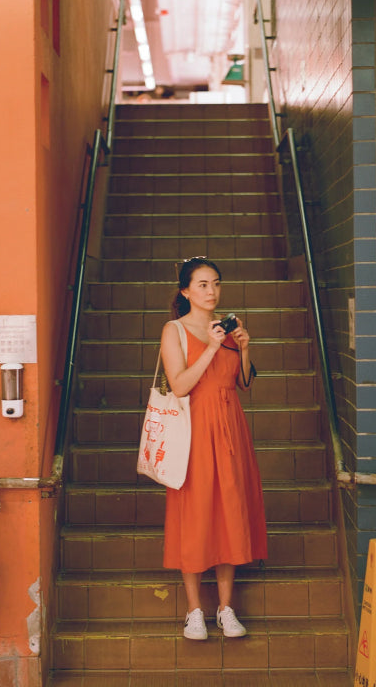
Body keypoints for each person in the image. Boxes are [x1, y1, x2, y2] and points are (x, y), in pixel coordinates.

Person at [159, 257, 268, 641]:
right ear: (185, 291)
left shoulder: (228, 327)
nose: (211, 291)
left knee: (230, 510)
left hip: (230, 426)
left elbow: (242, 382)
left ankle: (226, 608)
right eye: (202, 284)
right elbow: (181, 385)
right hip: (193, 429)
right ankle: (194, 611)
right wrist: (211, 347)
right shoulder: (174, 330)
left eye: (216, 284)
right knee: (194, 512)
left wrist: (244, 347)